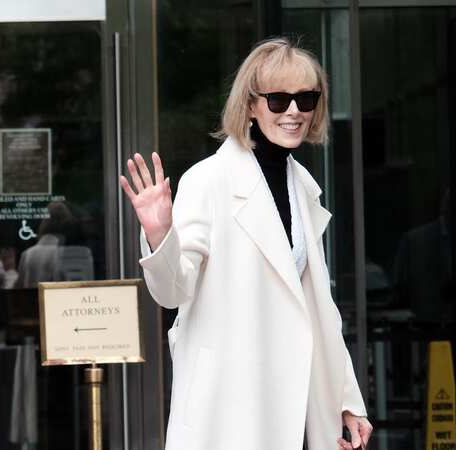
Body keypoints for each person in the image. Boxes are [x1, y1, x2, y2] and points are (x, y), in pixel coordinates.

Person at [120, 38, 373, 450]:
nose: (294, 112)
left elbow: (318, 310)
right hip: (229, 409)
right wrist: (159, 235)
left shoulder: (304, 188)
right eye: (278, 100)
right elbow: (171, 292)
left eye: (306, 99)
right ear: (251, 105)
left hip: (297, 405)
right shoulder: (209, 180)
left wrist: (346, 400)